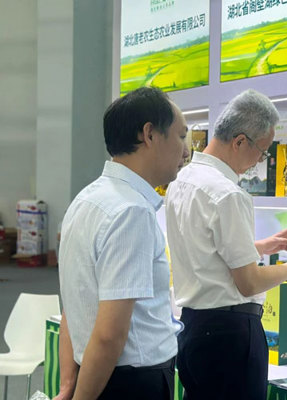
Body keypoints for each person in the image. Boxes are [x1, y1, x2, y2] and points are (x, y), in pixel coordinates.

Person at [165, 89, 287, 400]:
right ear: (240, 142)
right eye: (262, 151)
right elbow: (249, 282)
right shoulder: (228, 194)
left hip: (193, 328)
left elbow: (205, 249)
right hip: (229, 335)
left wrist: (261, 247)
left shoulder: (182, 181)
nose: (259, 162)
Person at [56, 86, 189, 400]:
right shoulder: (131, 211)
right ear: (149, 134)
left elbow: (73, 309)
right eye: (181, 136)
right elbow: (109, 335)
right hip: (131, 383)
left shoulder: (86, 199)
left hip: (100, 376)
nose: (186, 151)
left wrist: (69, 386)